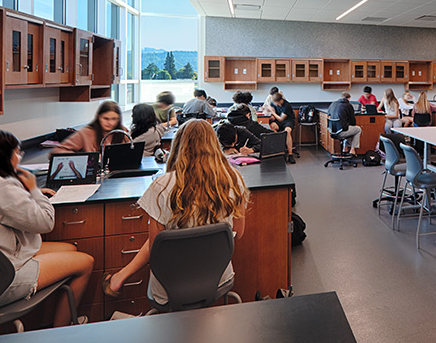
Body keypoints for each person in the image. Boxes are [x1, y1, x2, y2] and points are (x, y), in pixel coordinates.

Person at [102, 120, 249, 303]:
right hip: (218, 278)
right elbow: (238, 233)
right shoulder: (233, 179)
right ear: (214, 144)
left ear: (179, 145)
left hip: (170, 284)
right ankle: (120, 277)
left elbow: (157, 247)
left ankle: (120, 278)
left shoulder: (162, 186)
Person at [0, 130, 93, 327]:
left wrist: (23, 194)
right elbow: (45, 222)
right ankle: (59, 333)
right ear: (2, 156)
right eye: (17, 152)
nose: (20, 157)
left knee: (70, 250)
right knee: (85, 262)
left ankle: (47, 324)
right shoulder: (0, 188)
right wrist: (33, 189)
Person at [54, 101, 128, 153]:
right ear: (98, 117)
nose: (110, 123)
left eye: (114, 119)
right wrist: (81, 160)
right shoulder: (85, 133)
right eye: (106, 118)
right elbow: (58, 151)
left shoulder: (123, 132)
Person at [270, 92, 296, 164]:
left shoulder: (286, 106)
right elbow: (270, 109)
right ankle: (278, 151)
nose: (274, 104)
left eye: (275, 103)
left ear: (279, 102)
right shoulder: (273, 103)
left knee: (287, 132)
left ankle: (290, 154)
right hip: (279, 122)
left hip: (288, 121)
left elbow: (281, 119)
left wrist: (273, 112)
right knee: (271, 127)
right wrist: (272, 115)